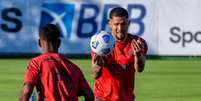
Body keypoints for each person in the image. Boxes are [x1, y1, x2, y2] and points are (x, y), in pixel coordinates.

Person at [19, 24, 94, 101]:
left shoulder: (36, 63)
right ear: (59, 43)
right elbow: (90, 96)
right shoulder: (74, 67)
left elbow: (27, 90)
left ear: (39, 43)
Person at [90, 7, 148, 101]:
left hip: (126, 98)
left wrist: (137, 55)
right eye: (116, 24)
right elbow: (95, 75)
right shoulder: (99, 43)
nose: (120, 28)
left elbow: (140, 69)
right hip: (102, 97)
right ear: (110, 24)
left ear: (128, 23)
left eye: (123, 24)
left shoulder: (138, 43)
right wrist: (98, 66)